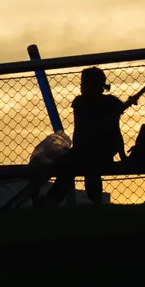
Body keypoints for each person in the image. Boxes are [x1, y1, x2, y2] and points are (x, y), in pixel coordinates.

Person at [57, 66, 127, 205]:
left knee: (90, 163)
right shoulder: (81, 103)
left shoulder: (109, 102)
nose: (80, 86)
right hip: (85, 149)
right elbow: (79, 132)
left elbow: (115, 130)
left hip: (103, 149)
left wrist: (122, 155)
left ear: (93, 84)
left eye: (83, 82)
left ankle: (95, 201)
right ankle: (53, 199)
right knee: (65, 165)